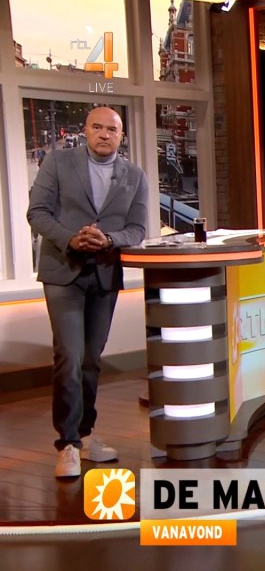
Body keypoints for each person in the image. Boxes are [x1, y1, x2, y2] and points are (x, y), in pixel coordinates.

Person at [26, 107, 148, 478]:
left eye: (112, 129)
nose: (104, 134)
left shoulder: (134, 175)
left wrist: (108, 239)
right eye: (97, 127)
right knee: (69, 355)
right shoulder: (58, 163)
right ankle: (66, 444)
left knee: (91, 359)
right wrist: (71, 238)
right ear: (86, 130)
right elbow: (37, 213)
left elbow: (137, 228)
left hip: (104, 274)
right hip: (63, 271)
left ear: (121, 136)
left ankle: (85, 434)